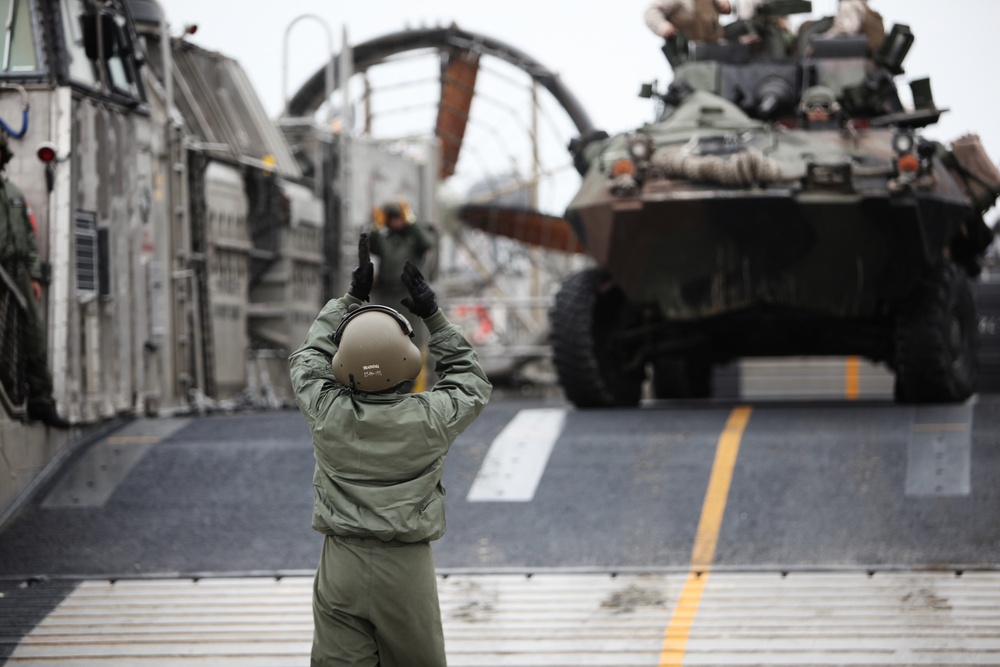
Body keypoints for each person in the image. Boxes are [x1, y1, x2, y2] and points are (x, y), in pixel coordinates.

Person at [289, 233, 492, 667]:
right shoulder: (429, 417)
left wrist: (350, 299)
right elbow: (471, 381)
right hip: (406, 571)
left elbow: (307, 359)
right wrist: (434, 317)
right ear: (407, 360)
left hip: (340, 562)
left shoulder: (328, 411)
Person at [0, 131, 65, 427]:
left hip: (19, 273)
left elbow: (26, 236)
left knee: (33, 337)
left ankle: (41, 402)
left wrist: (34, 276)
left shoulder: (12, 192)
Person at [644, 0, 733, 43]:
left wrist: (725, 5)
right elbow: (651, 12)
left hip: (715, 48)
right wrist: (663, 27)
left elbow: (727, 9)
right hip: (690, 53)